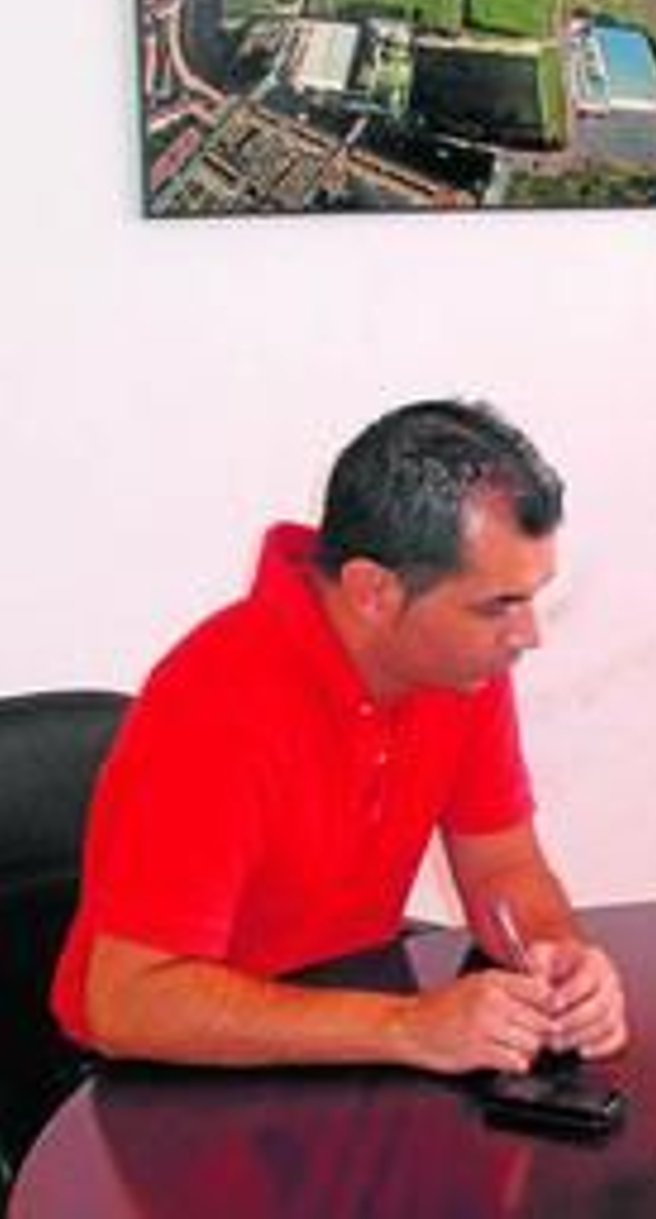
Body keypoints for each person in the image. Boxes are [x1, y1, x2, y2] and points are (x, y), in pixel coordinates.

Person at [52, 399, 626, 1074]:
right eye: (498, 605)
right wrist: (407, 1027)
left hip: (345, 1041)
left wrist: (557, 955)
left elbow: (503, 868)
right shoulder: (214, 702)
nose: (530, 636)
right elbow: (131, 1003)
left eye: (532, 596)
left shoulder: (459, 667)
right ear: (374, 591)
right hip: (165, 1081)